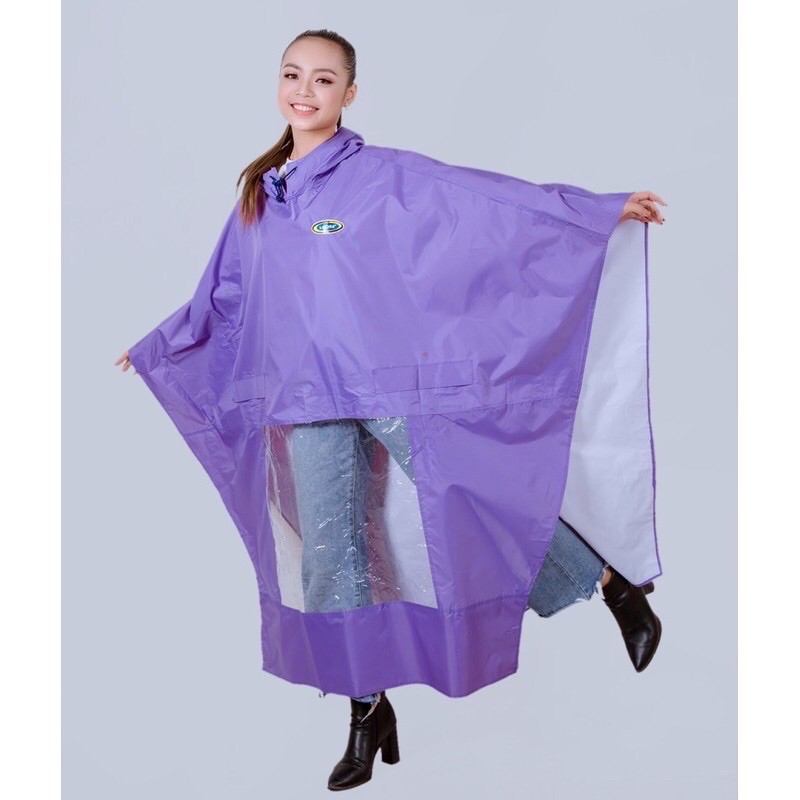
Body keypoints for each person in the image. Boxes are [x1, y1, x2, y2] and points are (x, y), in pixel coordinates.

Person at [116, 28, 667, 793]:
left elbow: (485, 206)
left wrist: (593, 213)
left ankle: (611, 585)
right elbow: (225, 295)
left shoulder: (380, 177)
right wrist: (161, 345)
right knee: (330, 552)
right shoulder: (260, 197)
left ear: (349, 94)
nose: (304, 90)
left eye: (323, 79)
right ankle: (366, 711)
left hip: (388, 384)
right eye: (292, 75)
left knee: (475, 497)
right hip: (306, 398)